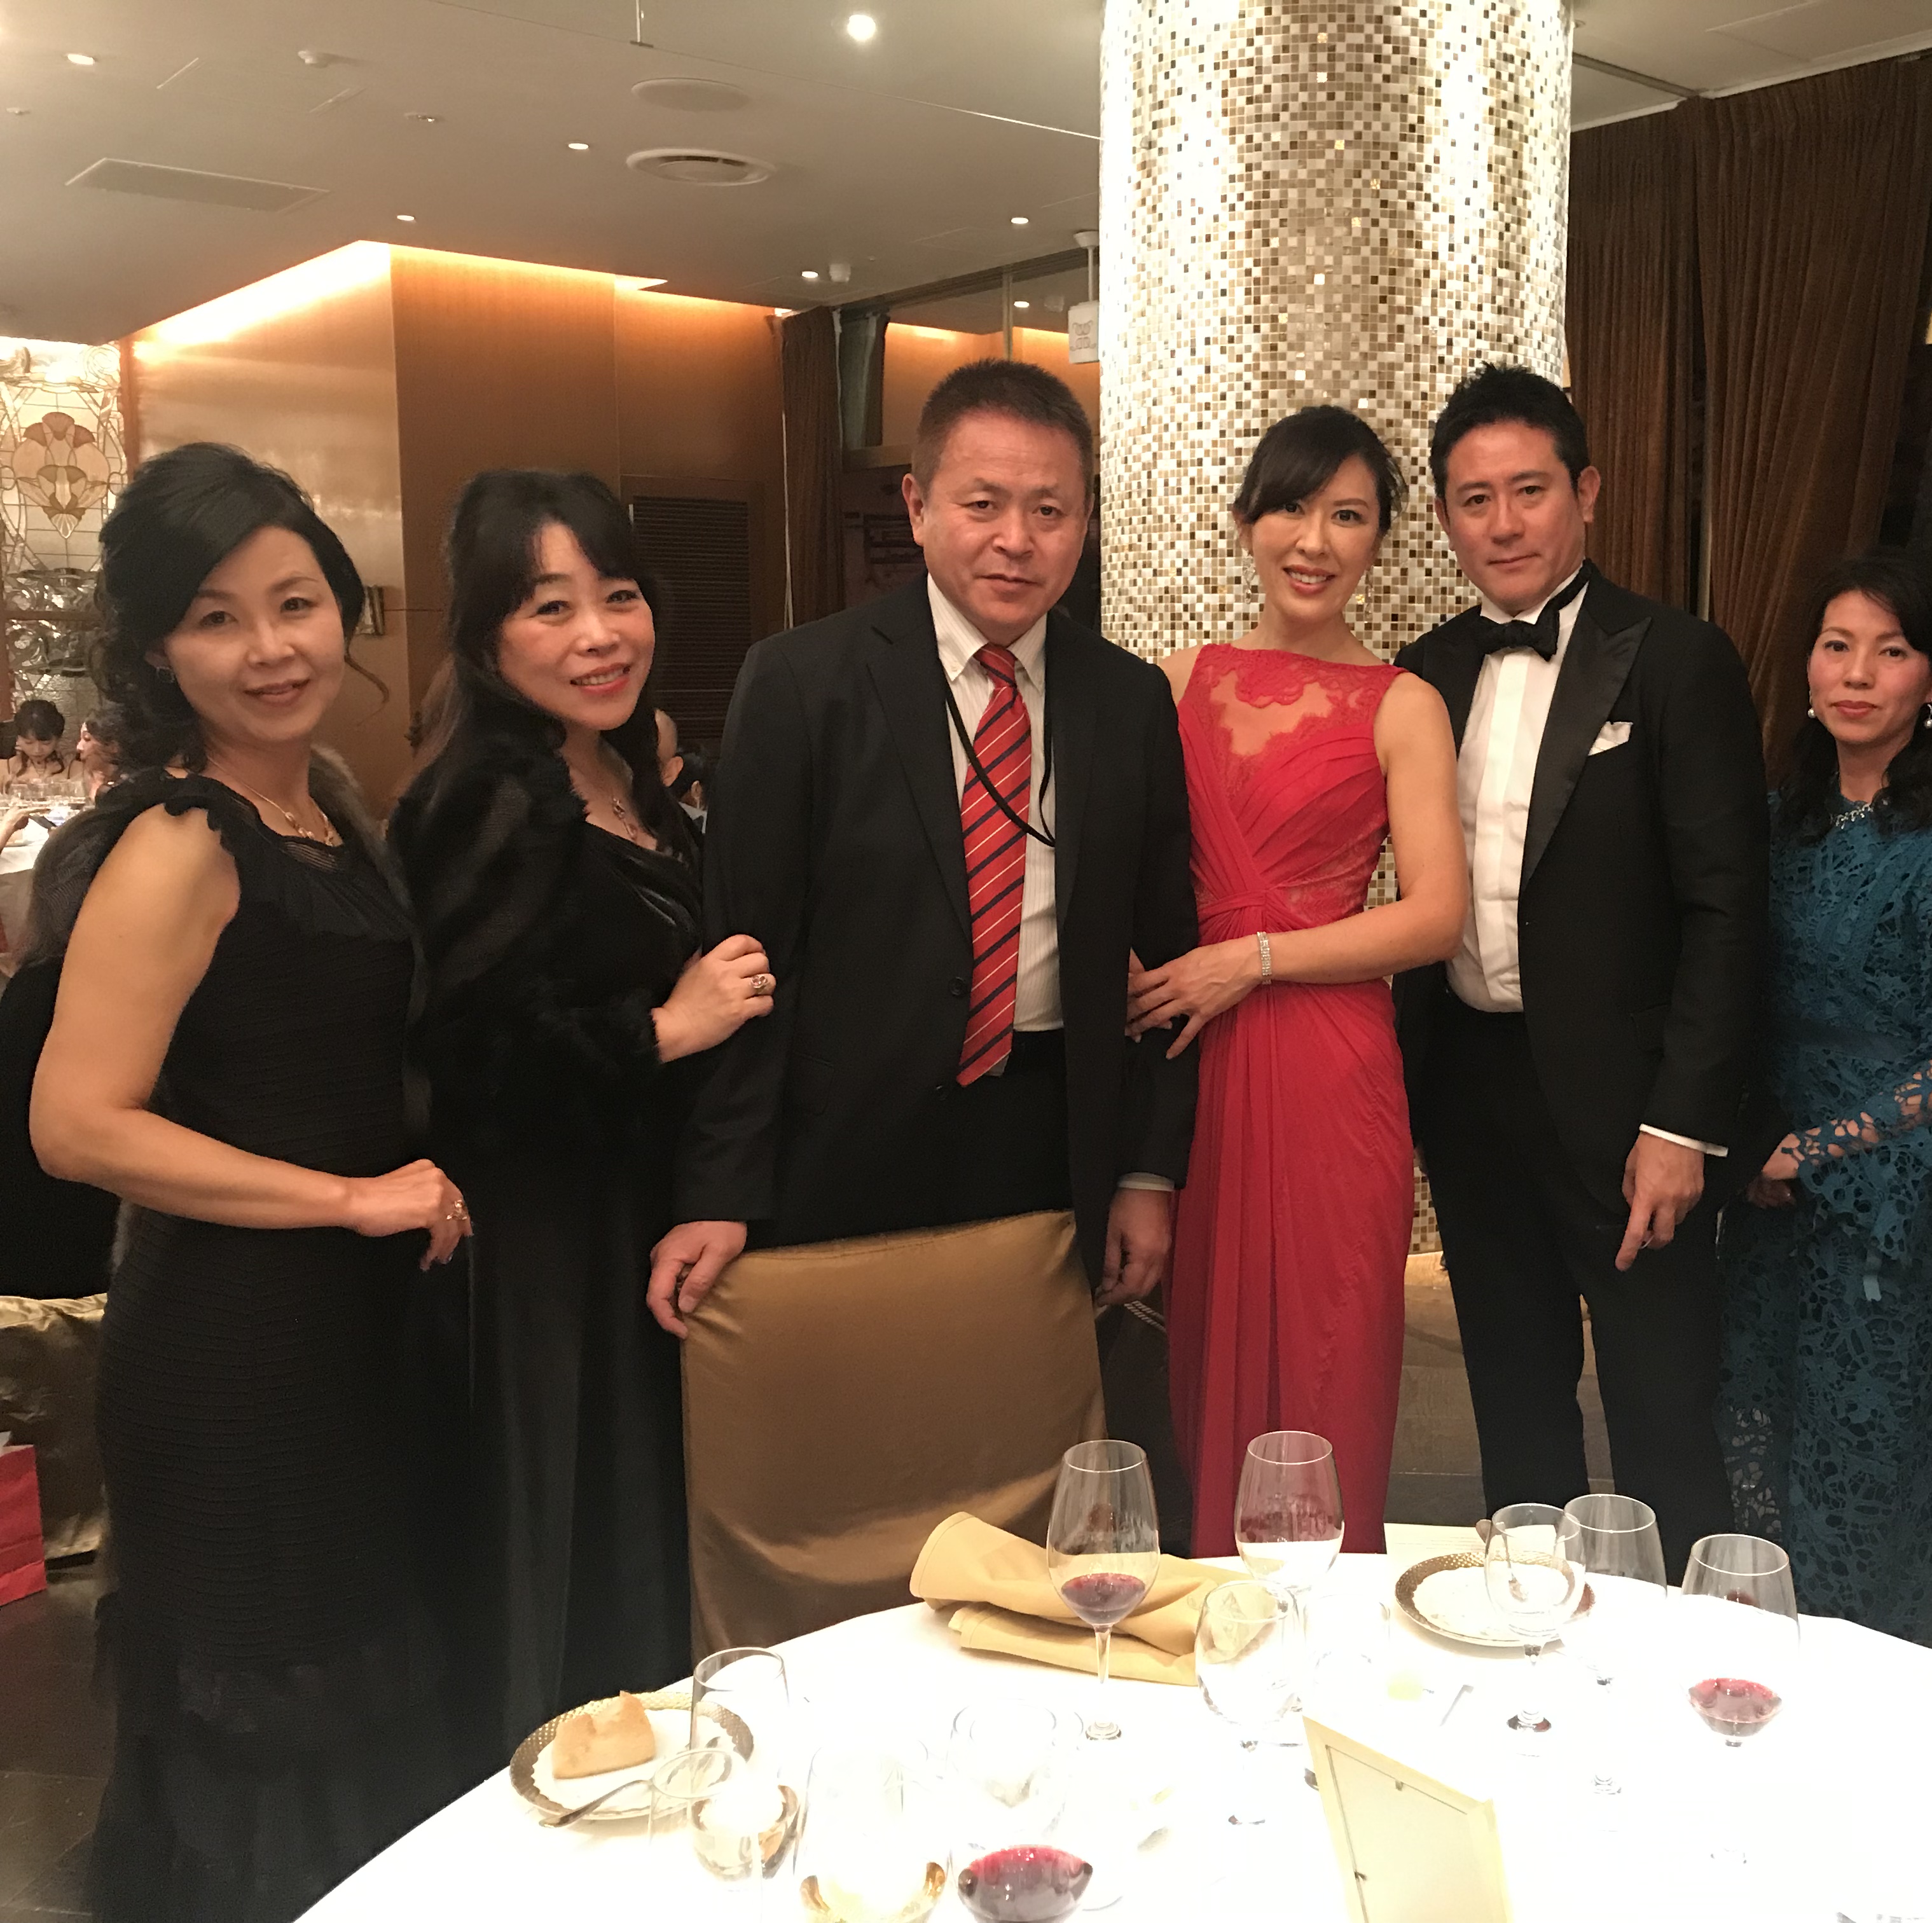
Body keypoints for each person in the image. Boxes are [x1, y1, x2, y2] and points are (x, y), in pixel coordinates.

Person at [26, 443, 469, 1919]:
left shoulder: (322, 812)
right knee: (270, 1717)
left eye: (295, 603)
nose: (270, 648)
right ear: (158, 647)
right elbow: (76, 1124)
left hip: (341, 1339)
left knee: (349, 1689)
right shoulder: (180, 837)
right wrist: (350, 1198)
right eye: (216, 618)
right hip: (233, 1347)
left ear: (343, 609)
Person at [649, 360, 1197, 1496]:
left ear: (1085, 522)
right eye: (982, 503)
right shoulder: (801, 682)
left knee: (1026, 1448)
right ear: (916, 505)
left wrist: (1147, 1170)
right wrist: (719, 1185)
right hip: (846, 1134)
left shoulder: (1127, 697)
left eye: (1050, 510)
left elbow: (1162, 953)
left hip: (1047, 1134)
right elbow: (746, 959)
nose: (1016, 540)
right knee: (859, 1455)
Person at [390, 471, 775, 1763]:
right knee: (563, 1551)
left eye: (617, 596)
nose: (599, 635)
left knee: (636, 1541)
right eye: (550, 607)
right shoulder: (486, 795)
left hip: (628, 1216)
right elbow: (464, 1062)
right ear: (487, 633)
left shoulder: (610, 765)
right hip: (543, 1256)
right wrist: (666, 1028)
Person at [1394, 365, 1768, 1576]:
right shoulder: (1423, 669)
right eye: (1474, 500)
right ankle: (1529, 1625)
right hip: (1470, 1082)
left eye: (1530, 490)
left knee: (1663, 1407)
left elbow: (1727, 908)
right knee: (1513, 1399)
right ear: (1444, 516)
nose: (1503, 524)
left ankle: (1688, 1655)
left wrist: (1682, 1122)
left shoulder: (1676, 658)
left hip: (1631, 1103)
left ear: (1586, 492)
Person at [1131, 406, 1465, 1555]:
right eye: (1289, 508)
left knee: (1330, 1348)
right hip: (1198, 1058)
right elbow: (1127, 874)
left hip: (1331, 1066)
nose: (1313, 540)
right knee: (1202, 1346)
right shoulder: (1174, 683)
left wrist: (1256, 958)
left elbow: (1435, 914)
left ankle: (1326, 1613)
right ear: (1245, 523)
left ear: (1380, 539)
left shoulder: (1405, 702)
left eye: (1347, 516)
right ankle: (1216, 1606)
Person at [1718, 553, 1932, 1637]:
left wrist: (1820, 1148)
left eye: (1889, 652)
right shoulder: (1770, 823)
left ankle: (1869, 1651)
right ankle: (1765, 1639)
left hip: (1887, 1187)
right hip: (1761, 1172)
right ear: (1806, 667)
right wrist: (1753, 1142)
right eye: (1837, 645)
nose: (1856, 673)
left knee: (1864, 1430)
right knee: (1751, 1408)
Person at [4, 696, 70, 785]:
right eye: (29, 743)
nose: (37, 750)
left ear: (58, 739)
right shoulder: (4, 768)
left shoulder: (72, 769)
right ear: (18, 738)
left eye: (46, 743)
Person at [74, 705, 126, 799]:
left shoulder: (126, 789)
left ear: (113, 747)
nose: (79, 747)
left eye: (87, 739)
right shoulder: (84, 781)